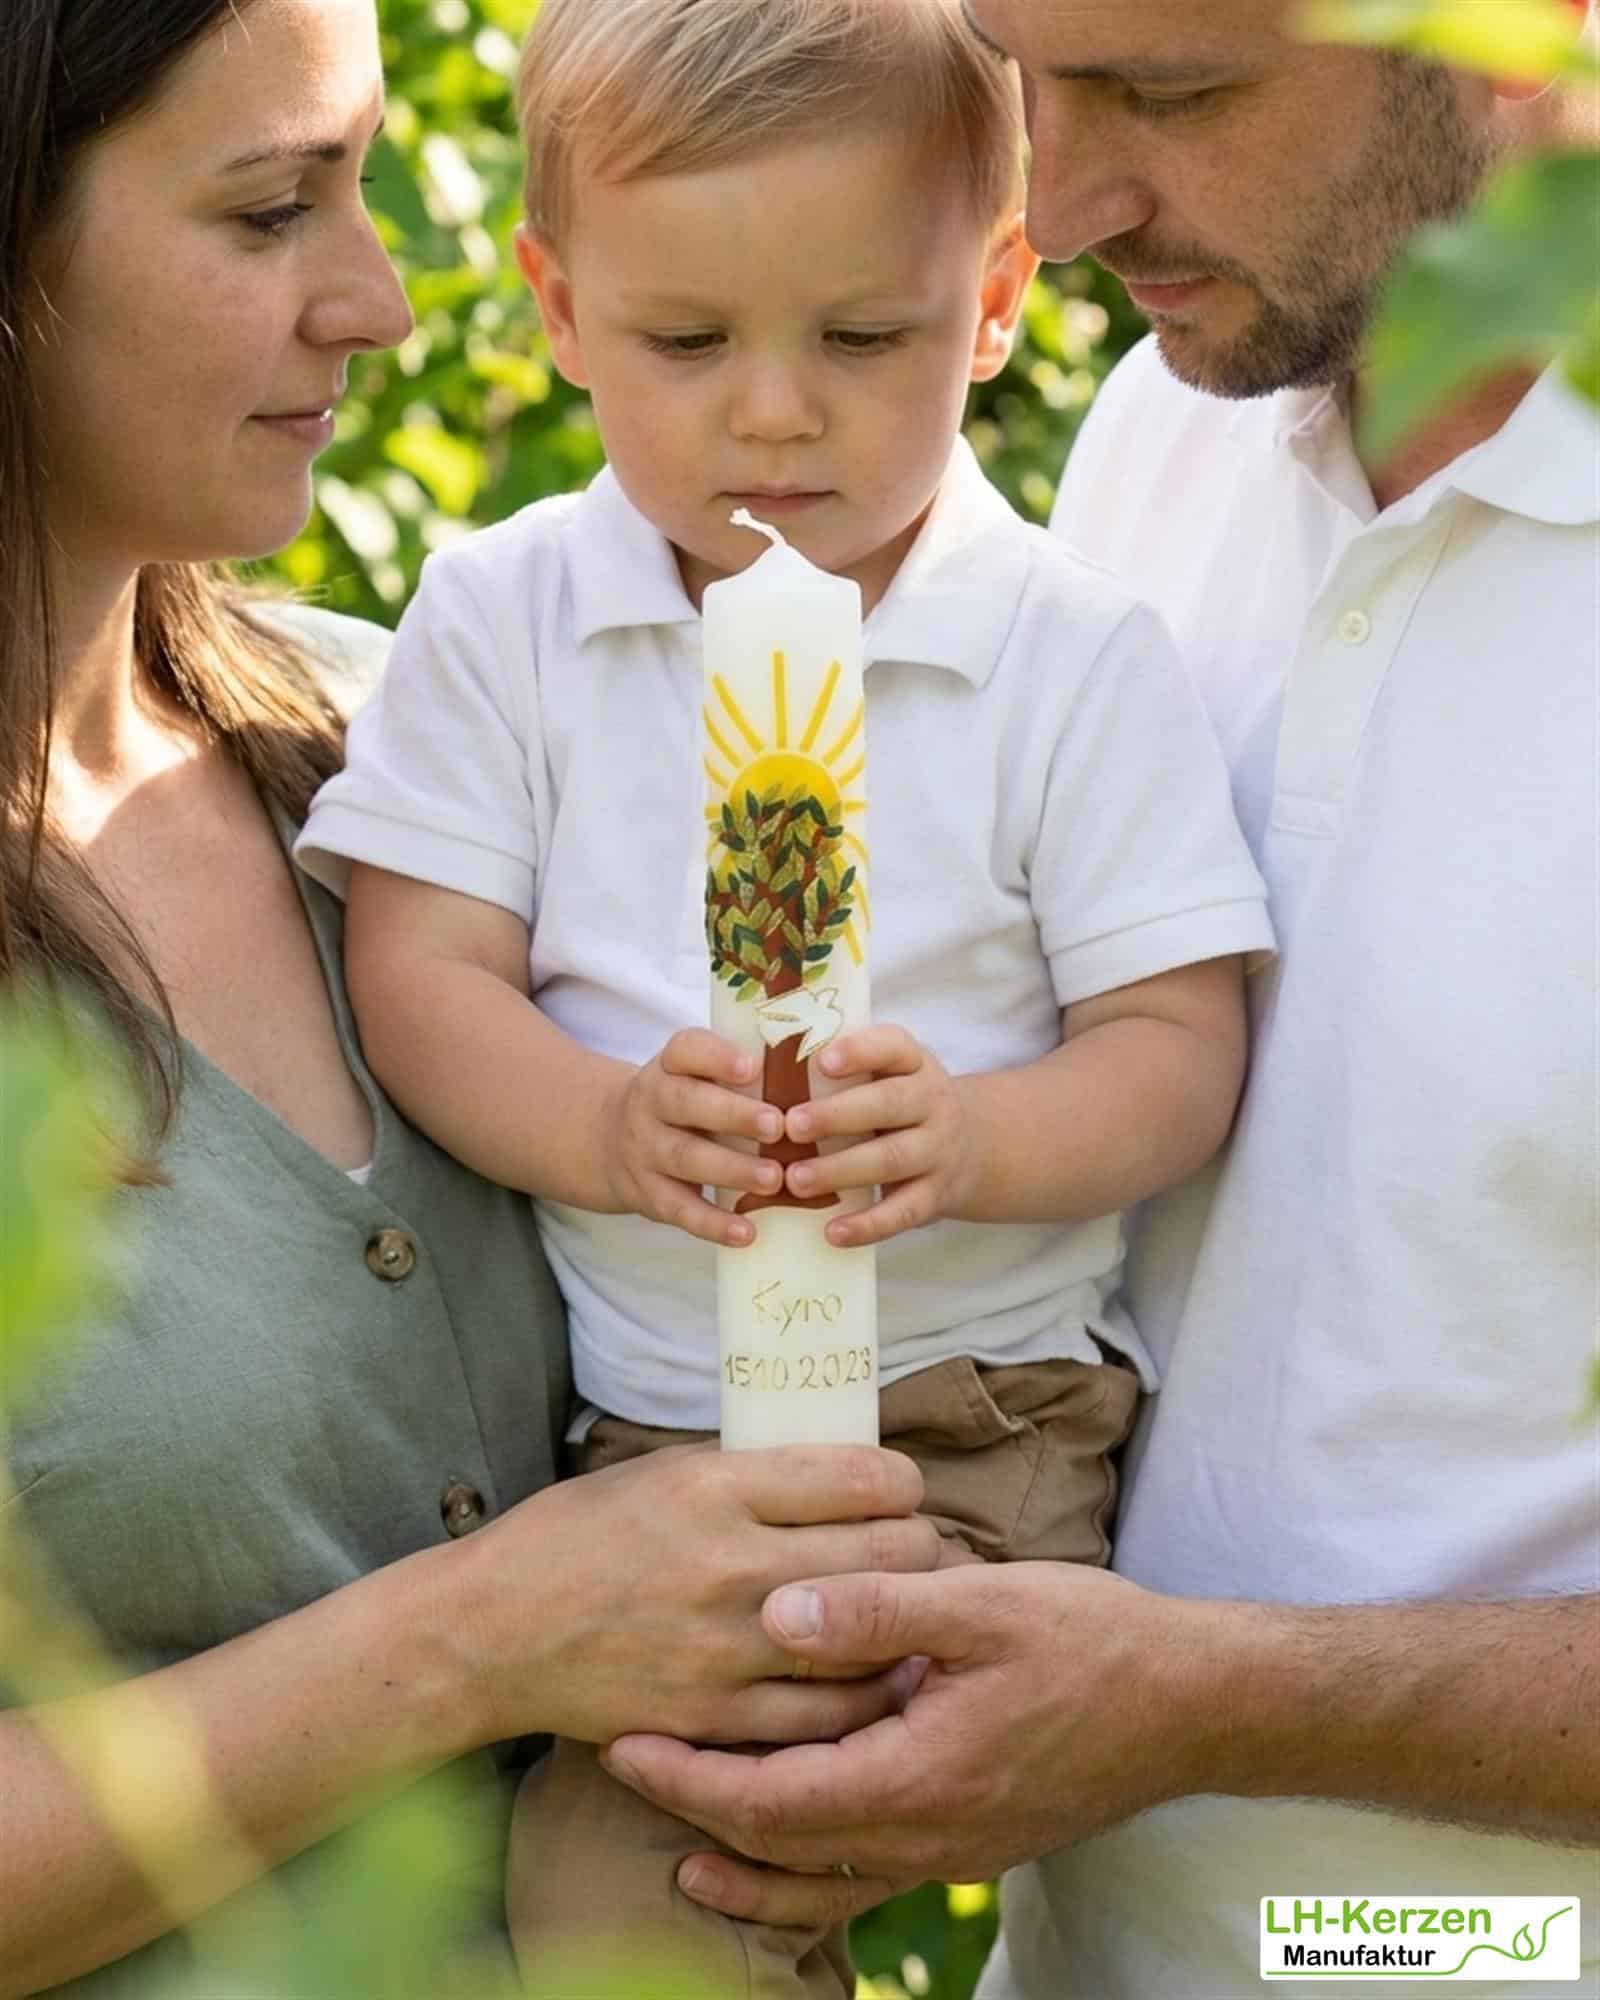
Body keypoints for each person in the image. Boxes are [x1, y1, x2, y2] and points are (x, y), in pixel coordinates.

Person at [593, 1, 1600, 1994]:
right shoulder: (1179, 422)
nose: (1054, 214)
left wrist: (1208, 1702)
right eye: (1020, 71)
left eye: (1165, 92)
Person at [292, 0, 1273, 1987]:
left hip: (973, 1440)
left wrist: (982, 1132)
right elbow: (420, 964)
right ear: (555, 308)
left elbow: (1178, 1048)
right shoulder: (506, 620)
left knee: (844, 1812)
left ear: (993, 300)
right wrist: (600, 1120)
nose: (771, 418)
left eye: (859, 338)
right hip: (648, 1446)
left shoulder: (1067, 657)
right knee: (627, 1890)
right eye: (685, 343)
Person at [0, 2, 944, 1993]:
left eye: (359, 179)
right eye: (269, 212)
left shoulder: (410, 738)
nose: (382, 303)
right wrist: (485, 1633)